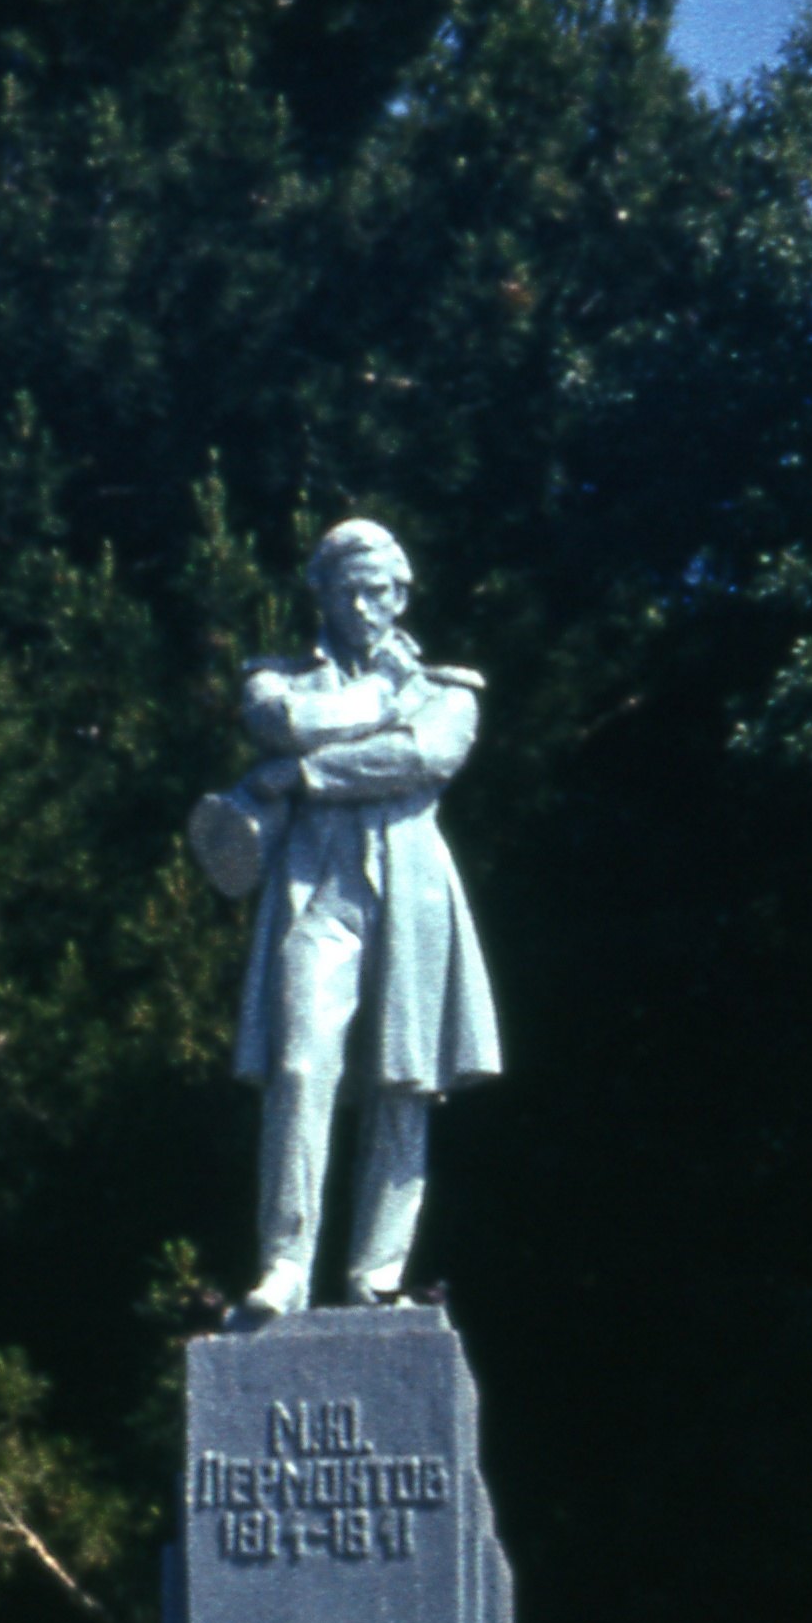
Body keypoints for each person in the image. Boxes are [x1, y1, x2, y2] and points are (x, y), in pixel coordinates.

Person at [218, 518, 499, 1320]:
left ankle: (377, 1272)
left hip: (412, 891)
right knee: (301, 1066)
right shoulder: (279, 682)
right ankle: (283, 1265)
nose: (364, 604)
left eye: (379, 588)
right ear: (323, 595)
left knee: (403, 1081)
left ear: (402, 593)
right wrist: (373, 703)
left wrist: (302, 773)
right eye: (347, 588)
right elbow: (279, 722)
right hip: (318, 889)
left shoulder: (447, 689)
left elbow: (421, 757)